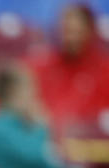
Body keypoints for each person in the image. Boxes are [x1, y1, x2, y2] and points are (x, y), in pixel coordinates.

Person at [24, 3, 109, 134]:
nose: (71, 38)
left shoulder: (104, 69)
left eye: (78, 32)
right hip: (47, 140)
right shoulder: (40, 65)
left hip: (92, 143)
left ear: (90, 31)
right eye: (67, 31)